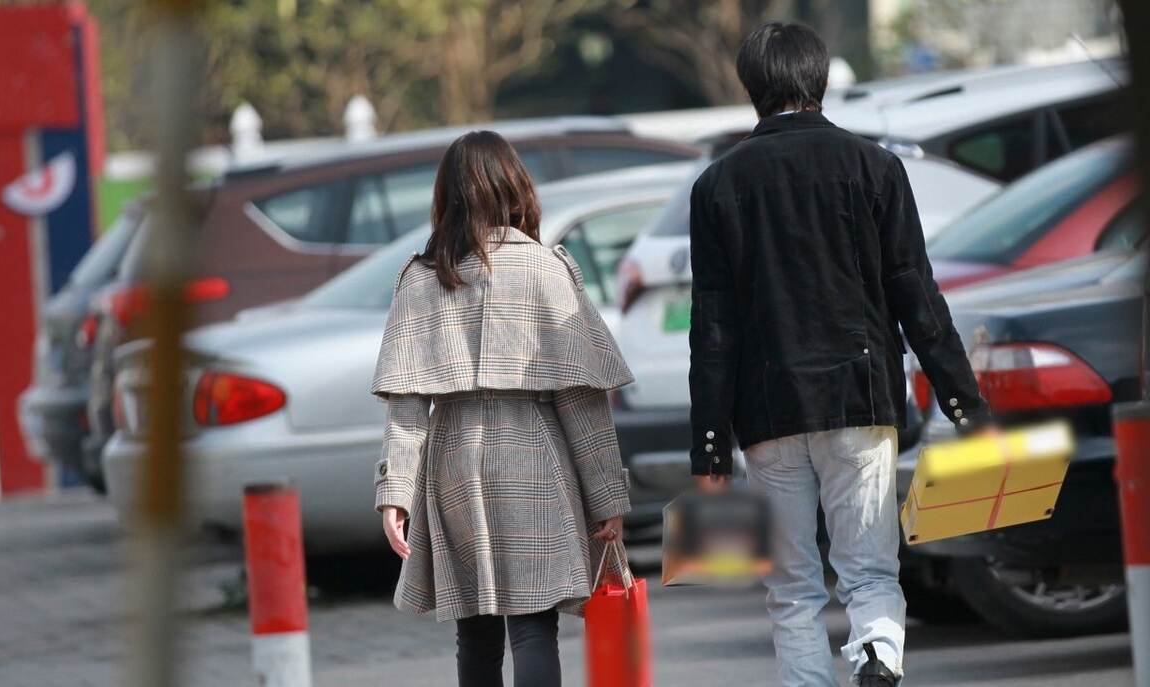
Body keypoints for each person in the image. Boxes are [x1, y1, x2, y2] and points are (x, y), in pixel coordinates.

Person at [687, 23, 992, 687]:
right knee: (869, 569)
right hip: (860, 397)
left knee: (792, 586)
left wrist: (709, 450)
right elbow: (917, 295)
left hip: (767, 411)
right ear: (819, 79)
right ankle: (878, 655)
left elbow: (713, 328)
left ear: (752, 86)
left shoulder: (716, 185)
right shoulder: (874, 167)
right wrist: (965, 405)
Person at [372, 130, 633, 687]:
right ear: (515, 187)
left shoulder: (422, 277)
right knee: (534, 627)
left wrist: (395, 493)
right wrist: (607, 496)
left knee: (475, 631)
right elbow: (580, 397)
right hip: (534, 449)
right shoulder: (546, 268)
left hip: (454, 459)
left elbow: (407, 403)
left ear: (448, 194)